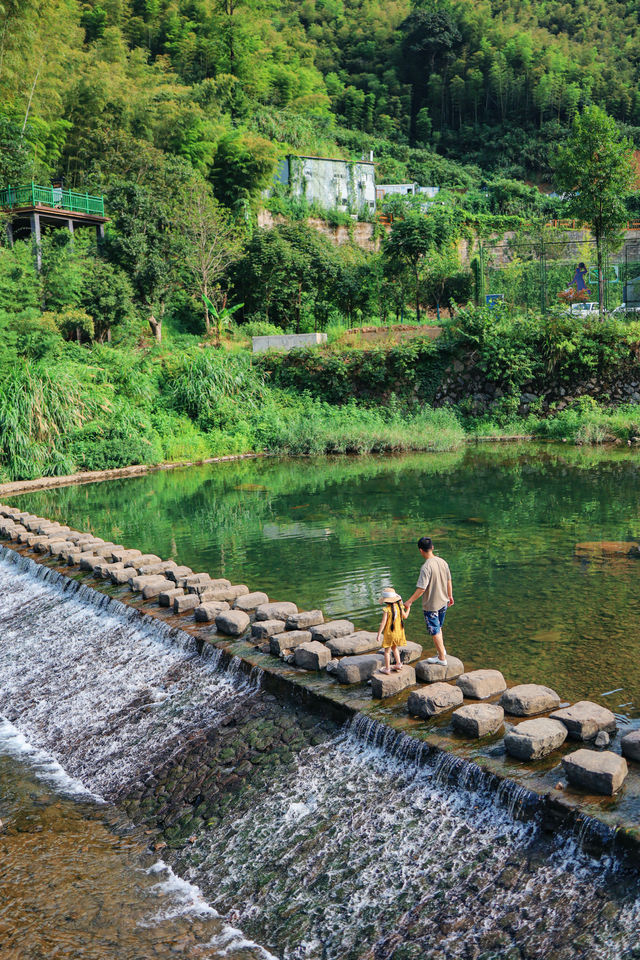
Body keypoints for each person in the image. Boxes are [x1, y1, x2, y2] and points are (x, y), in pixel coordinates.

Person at [404, 537, 453, 666]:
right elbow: (449, 580)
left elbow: (421, 588)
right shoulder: (443, 562)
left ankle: (442, 658)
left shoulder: (426, 567)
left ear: (421, 550)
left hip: (431, 605)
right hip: (443, 601)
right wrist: (450, 595)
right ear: (432, 547)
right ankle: (441, 651)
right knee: (438, 627)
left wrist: (409, 601)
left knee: (435, 630)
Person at [376, 586, 408, 675]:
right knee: (394, 647)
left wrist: (379, 634)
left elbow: (383, 623)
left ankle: (387, 669)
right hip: (398, 632)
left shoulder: (387, 609)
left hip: (389, 633)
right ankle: (398, 664)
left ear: (386, 600)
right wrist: (408, 608)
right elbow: (405, 616)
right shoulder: (399, 607)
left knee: (387, 651)